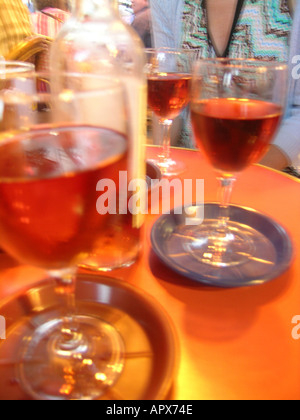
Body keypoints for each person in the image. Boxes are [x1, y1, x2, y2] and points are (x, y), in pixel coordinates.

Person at [150, 0, 300, 172]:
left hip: (267, 176)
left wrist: (236, 178)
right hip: (191, 171)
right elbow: (166, 92)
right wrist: (161, 169)